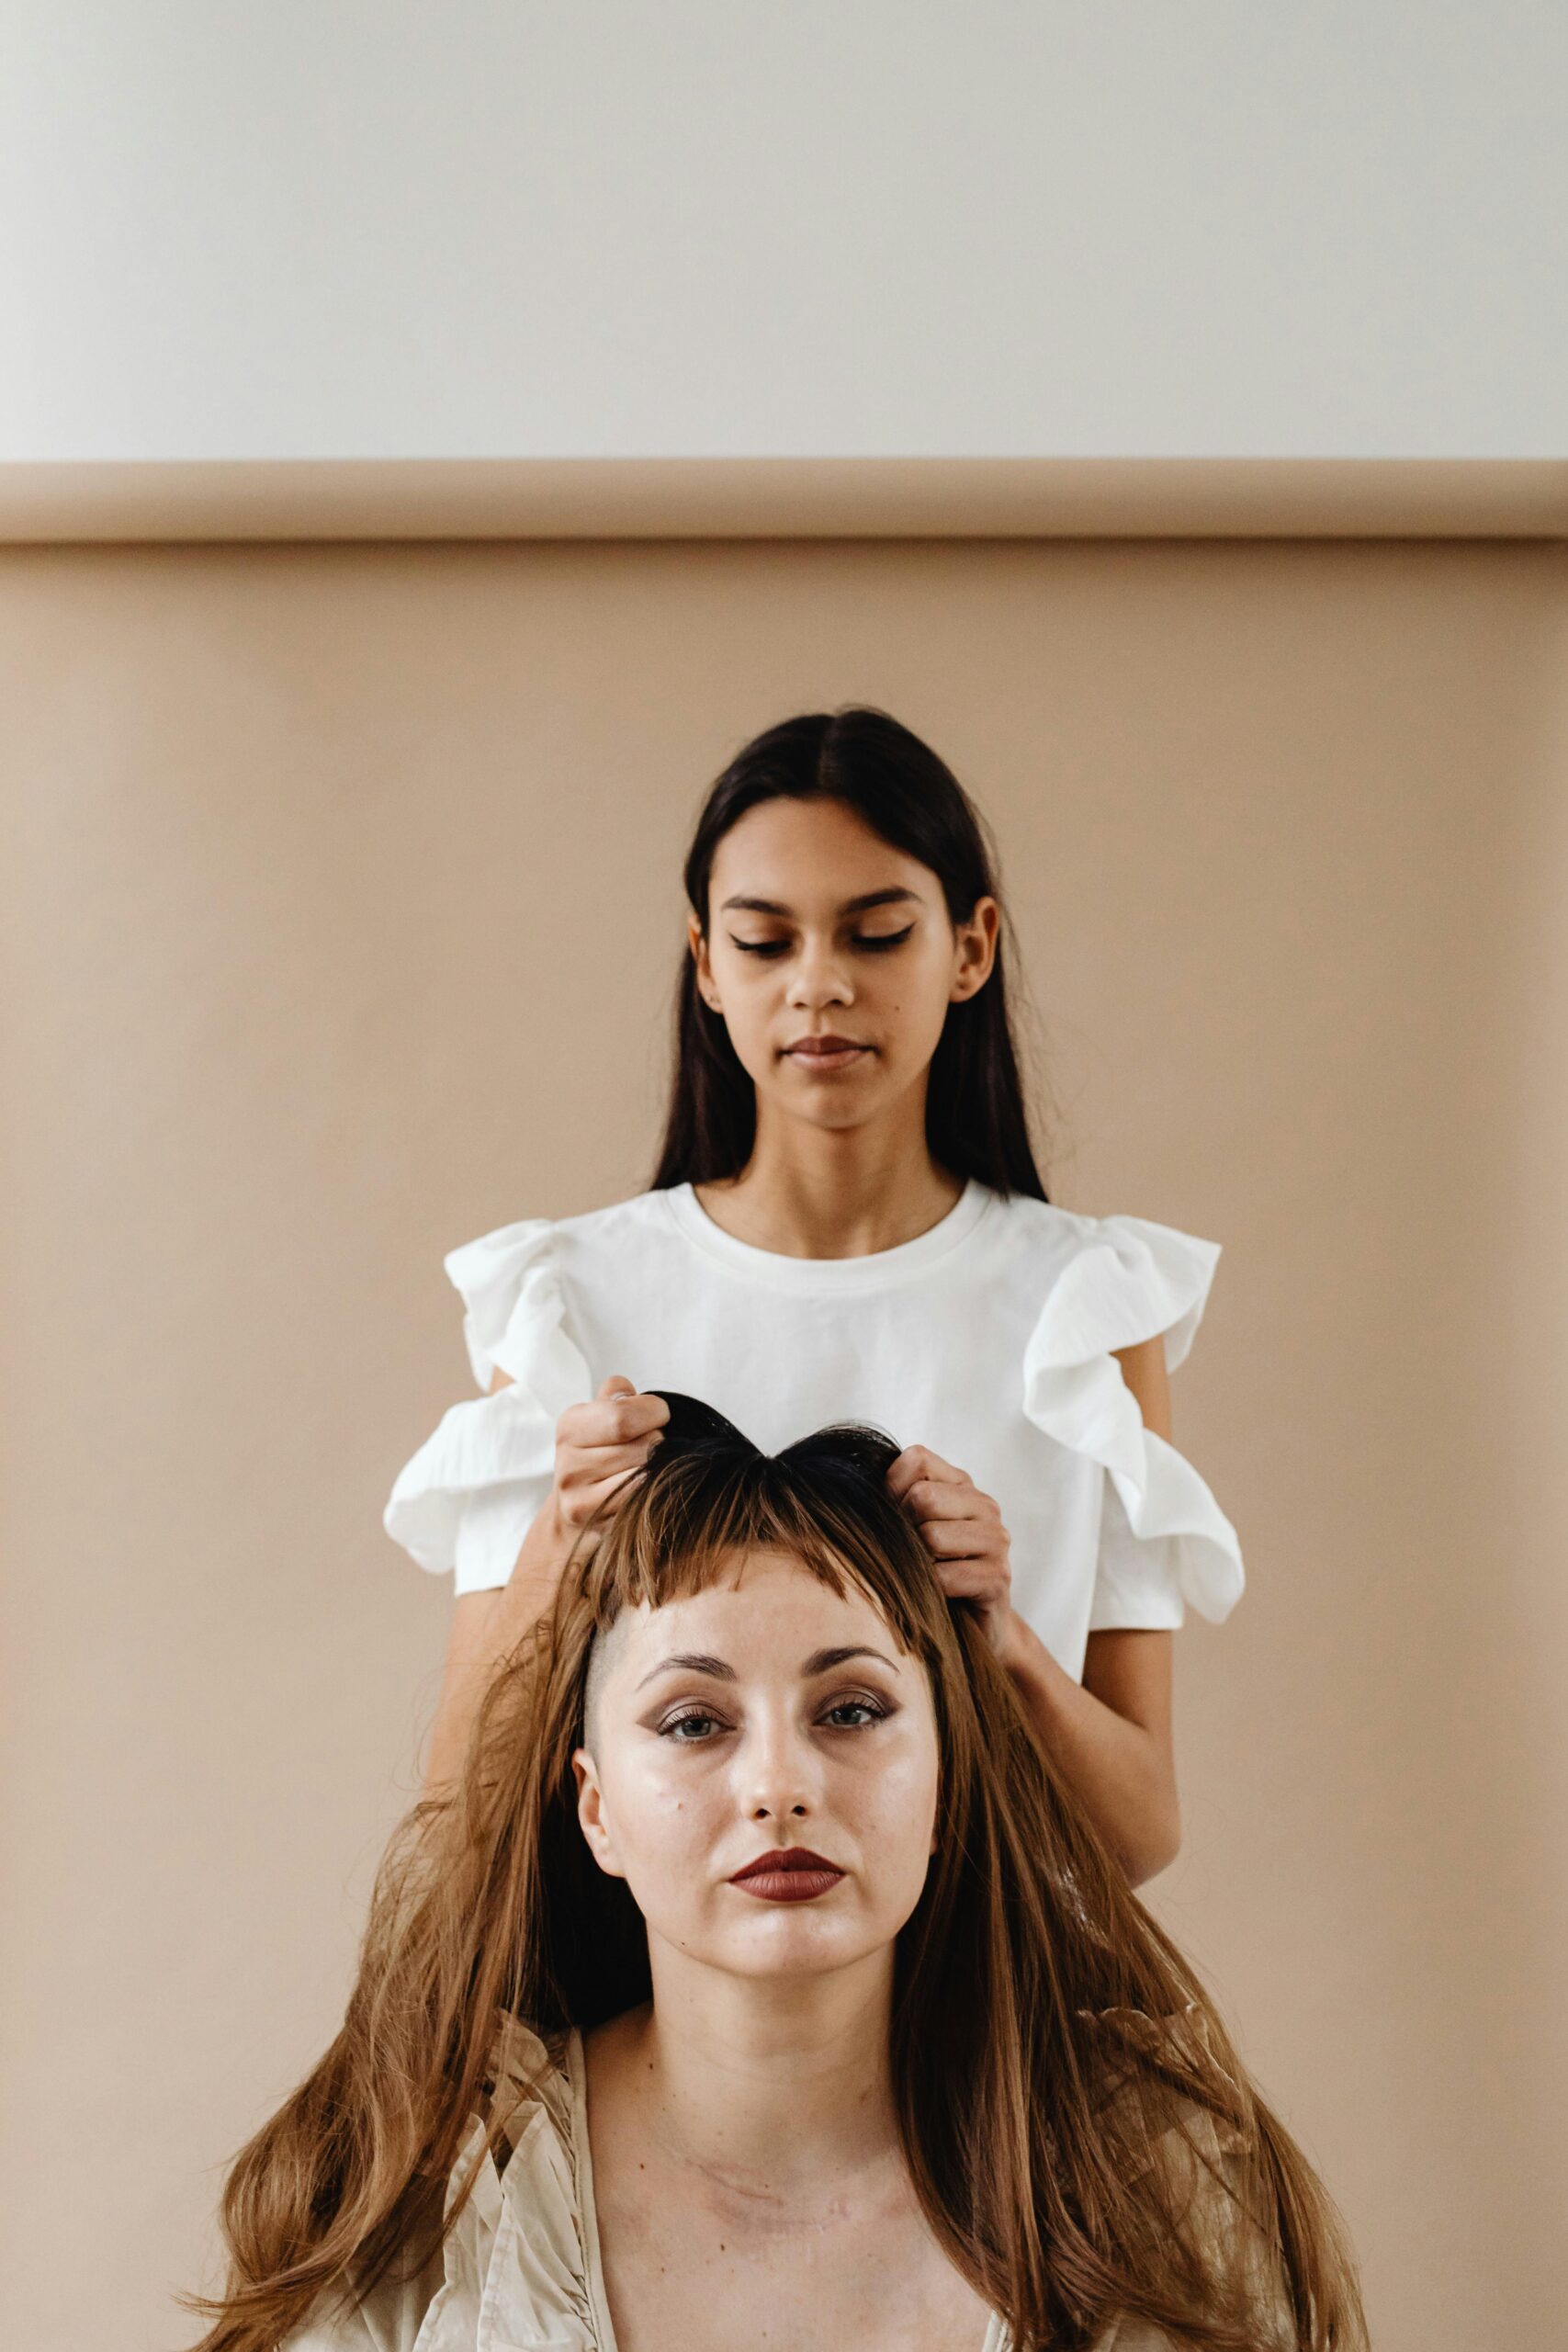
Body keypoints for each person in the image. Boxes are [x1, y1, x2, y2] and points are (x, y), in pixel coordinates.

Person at [186, 1397, 1364, 2352]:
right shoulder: (439, 2194)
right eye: (695, 1721)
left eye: (850, 1707)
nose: (779, 1785)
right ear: (596, 1809)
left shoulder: (1146, 2183)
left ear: (949, 1782)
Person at [384, 707, 1246, 1883]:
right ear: (706, 965)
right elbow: (460, 1816)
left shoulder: (1086, 1306)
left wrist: (1001, 1640)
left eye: (878, 934)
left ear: (970, 947)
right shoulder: (566, 1303)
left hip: (979, 2035)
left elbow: (1136, 1835)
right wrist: (554, 1555)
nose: (821, 986)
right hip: (661, 2030)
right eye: (765, 942)